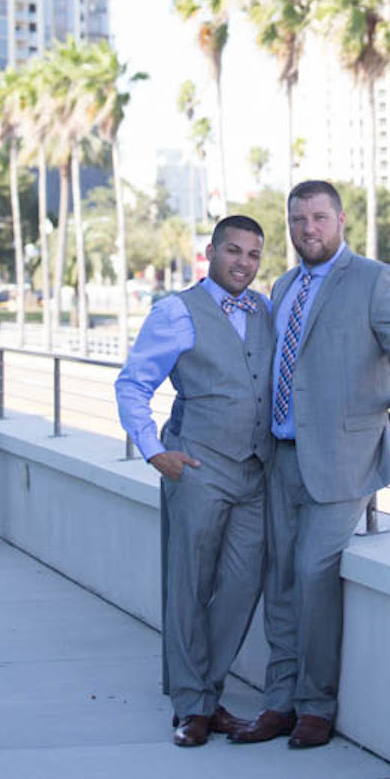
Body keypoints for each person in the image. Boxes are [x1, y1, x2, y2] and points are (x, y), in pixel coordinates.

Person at [229, 180, 390, 750]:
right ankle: (278, 703)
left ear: (342, 219)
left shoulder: (377, 280)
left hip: (343, 458)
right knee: (277, 581)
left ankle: (315, 708)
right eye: (298, 220)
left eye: (320, 218)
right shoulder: (281, 284)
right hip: (280, 457)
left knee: (311, 574)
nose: (309, 230)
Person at [115, 215, 274, 748]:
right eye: (234, 251)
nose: (243, 263)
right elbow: (133, 384)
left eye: (253, 255)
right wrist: (155, 451)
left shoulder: (264, 311)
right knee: (189, 587)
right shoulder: (176, 312)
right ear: (211, 252)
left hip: (254, 472)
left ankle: (209, 691)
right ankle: (192, 706)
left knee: (241, 586)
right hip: (199, 468)